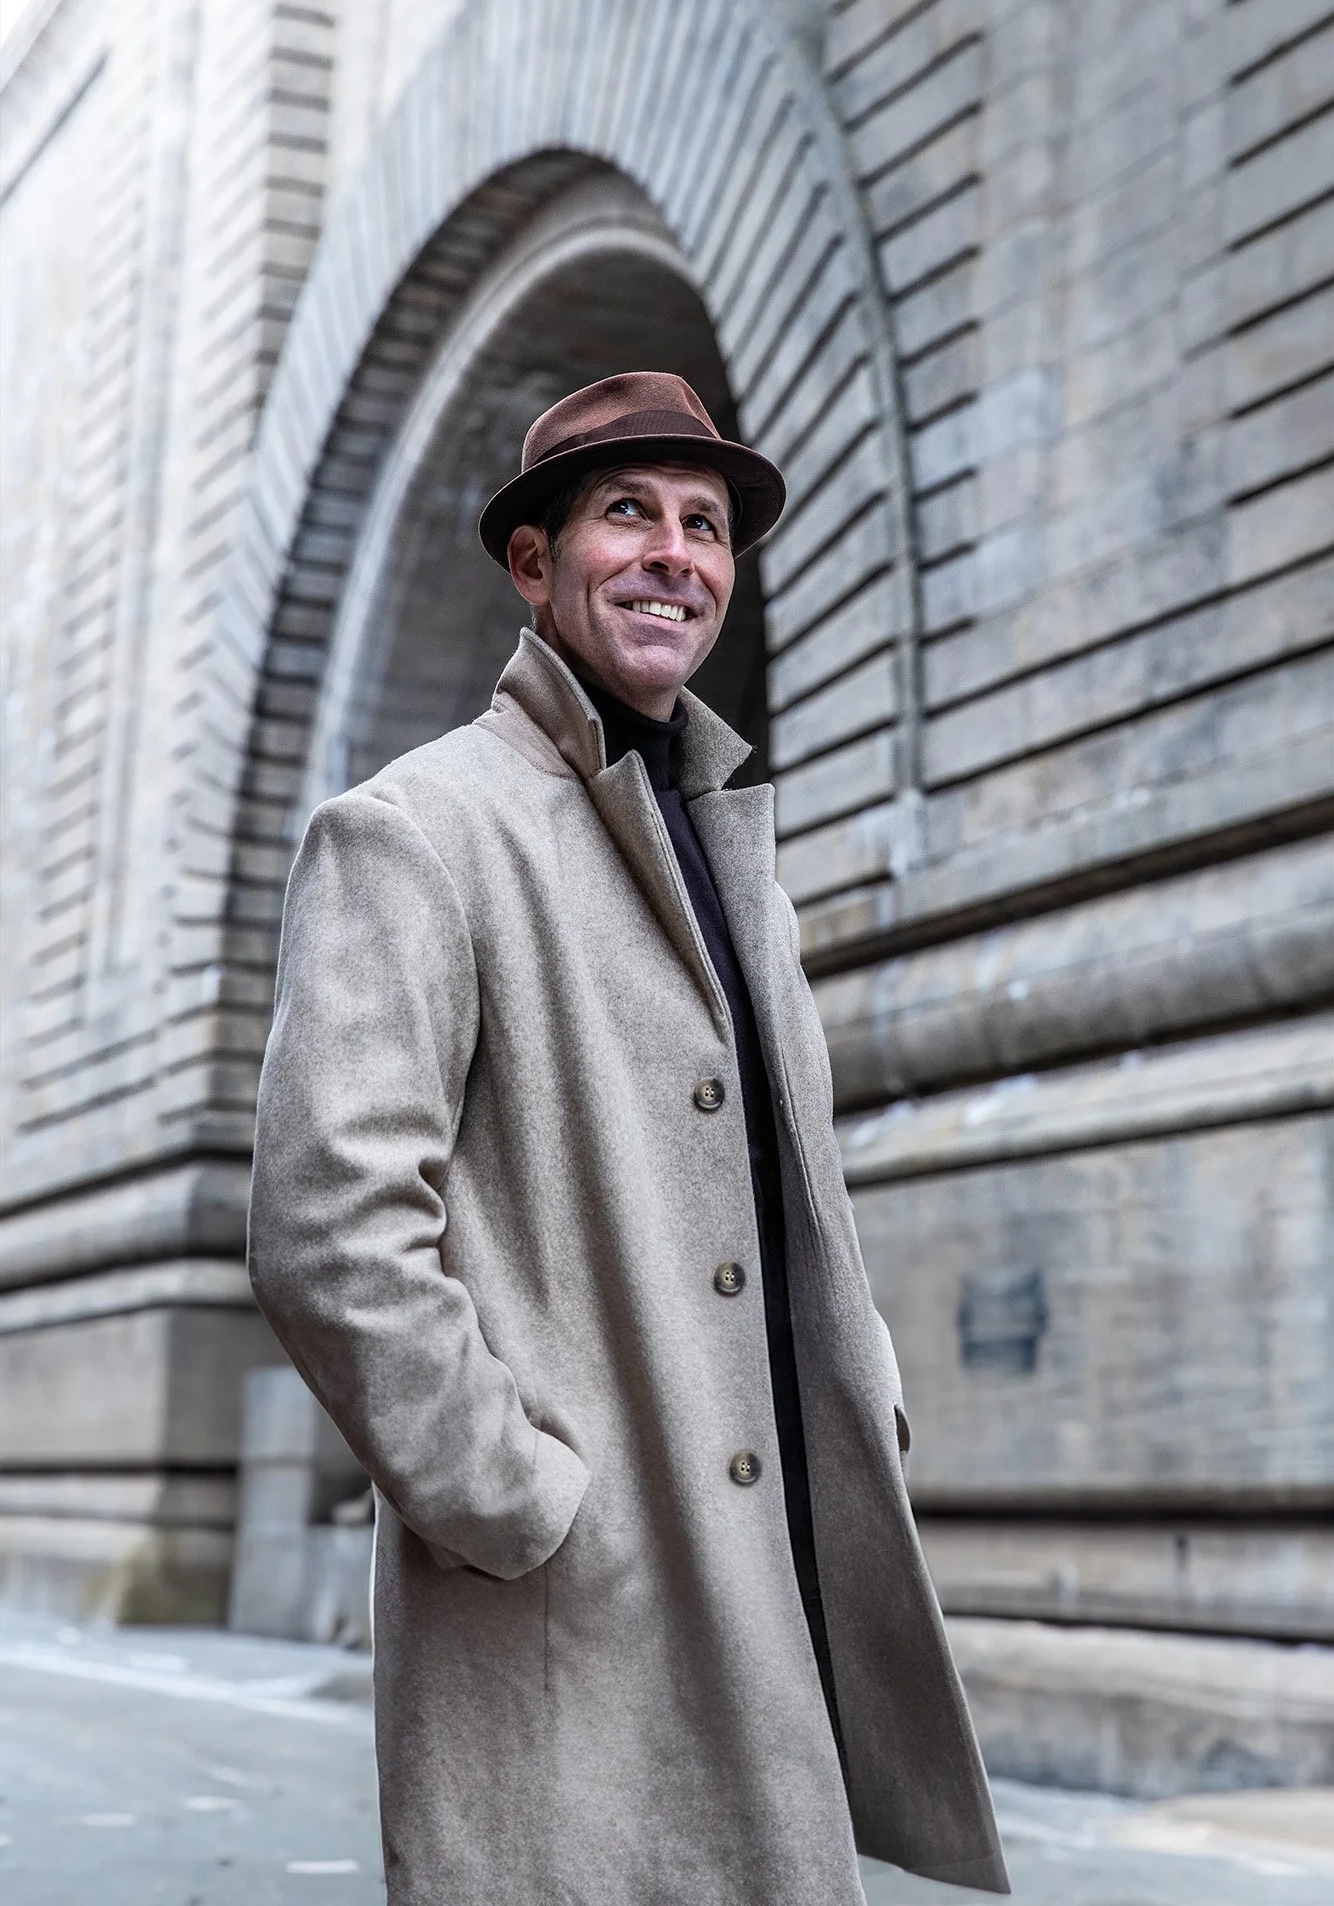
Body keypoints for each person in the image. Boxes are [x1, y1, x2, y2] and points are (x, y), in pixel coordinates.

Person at [248, 371, 1008, 1904]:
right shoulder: (417, 829)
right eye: (627, 515)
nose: (675, 554)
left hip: (770, 1566)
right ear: (534, 565)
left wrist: (858, 1388)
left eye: (703, 526)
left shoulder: (731, 856)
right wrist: (513, 1497)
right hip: (575, 1594)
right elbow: (327, 1225)